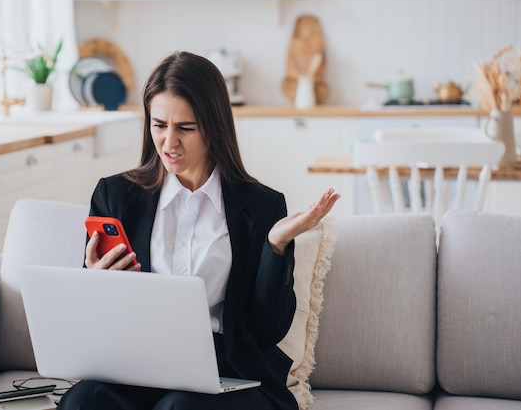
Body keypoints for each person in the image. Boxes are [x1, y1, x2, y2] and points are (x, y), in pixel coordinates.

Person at [57, 51, 340, 410]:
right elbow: (94, 318)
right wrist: (95, 281)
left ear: (214, 126)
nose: (169, 143)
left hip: (227, 371)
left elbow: (267, 330)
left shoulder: (261, 205)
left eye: (185, 128)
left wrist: (276, 245)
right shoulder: (115, 196)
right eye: (159, 125)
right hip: (139, 364)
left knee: (180, 406)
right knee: (83, 399)